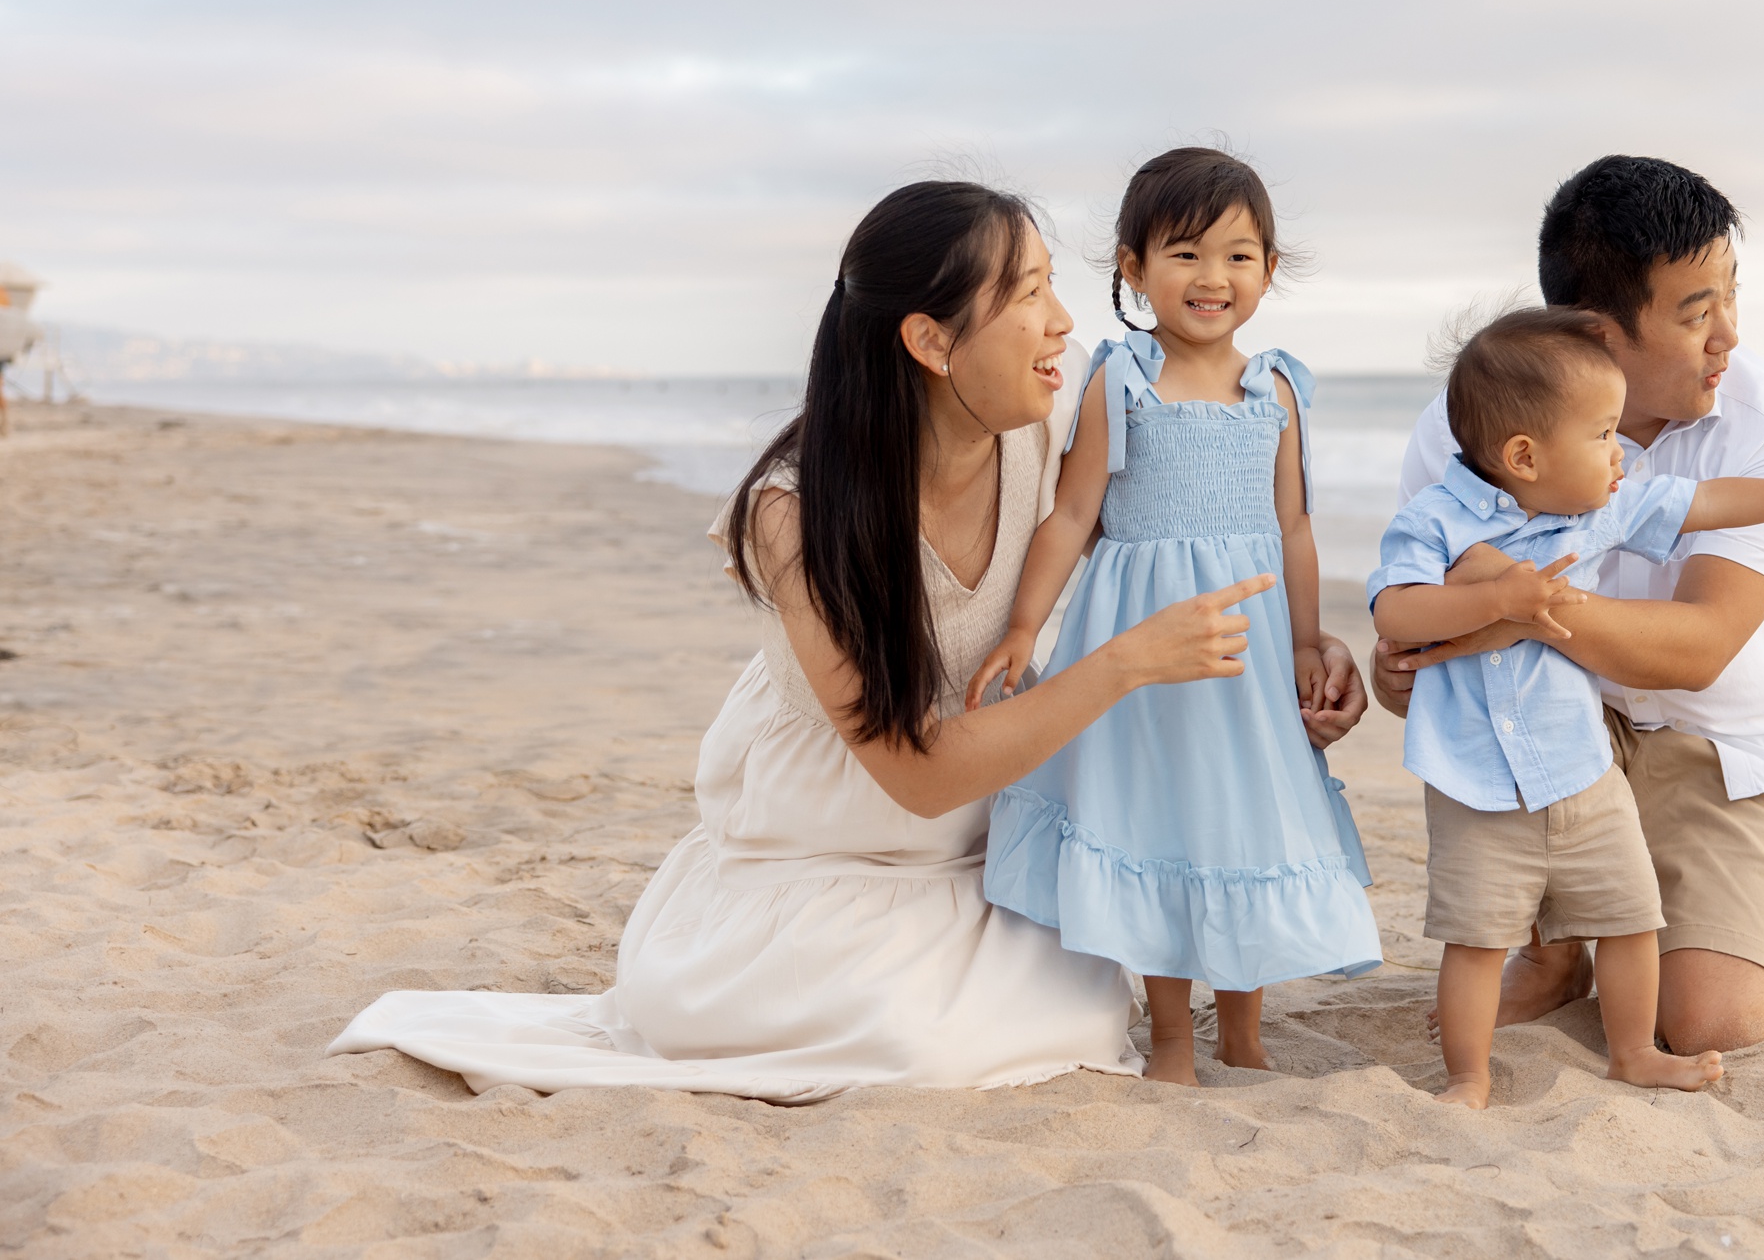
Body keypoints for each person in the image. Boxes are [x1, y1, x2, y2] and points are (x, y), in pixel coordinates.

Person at [329, 179, 1371, 1101]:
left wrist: (1307, 660)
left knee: (1072, 1017)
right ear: (928, 340)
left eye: (1055, 286)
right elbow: (913, 777)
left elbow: (1223, 511)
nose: (1063, 324)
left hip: (976, 852)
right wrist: (1131, 659)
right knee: (914, 1042)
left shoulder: (1060, 412)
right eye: (1026, 297)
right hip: (827, 859)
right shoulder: (794, 516)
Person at [1373, 156, 1764, 1055]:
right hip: (1555, 727)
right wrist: (1400, 658)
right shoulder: (1469, 428)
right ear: (1598, 332)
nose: (1729, 338)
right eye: (1697, 312)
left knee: (1718, 1023)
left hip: (1721, 747)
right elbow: (1415, 619)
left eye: (1731, 298)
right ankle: (1558, 951)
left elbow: (1697, 648)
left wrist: (1509, 609)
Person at [974, 148, 1382, 1085]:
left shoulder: (1277, 388)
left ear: (1269, 272)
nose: (1213, 278)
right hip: (1142, 649)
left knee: (1241, 824)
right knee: (1160, 822)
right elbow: (1072, 516)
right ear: (1132, 266)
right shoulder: (1121, 379)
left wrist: (1309, 642)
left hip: (1245, 647)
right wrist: (1024, 627)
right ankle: (1169, 1038)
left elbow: (1295, 526)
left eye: (1239, 257)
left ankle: (1241, 1032)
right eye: (1187, 254)